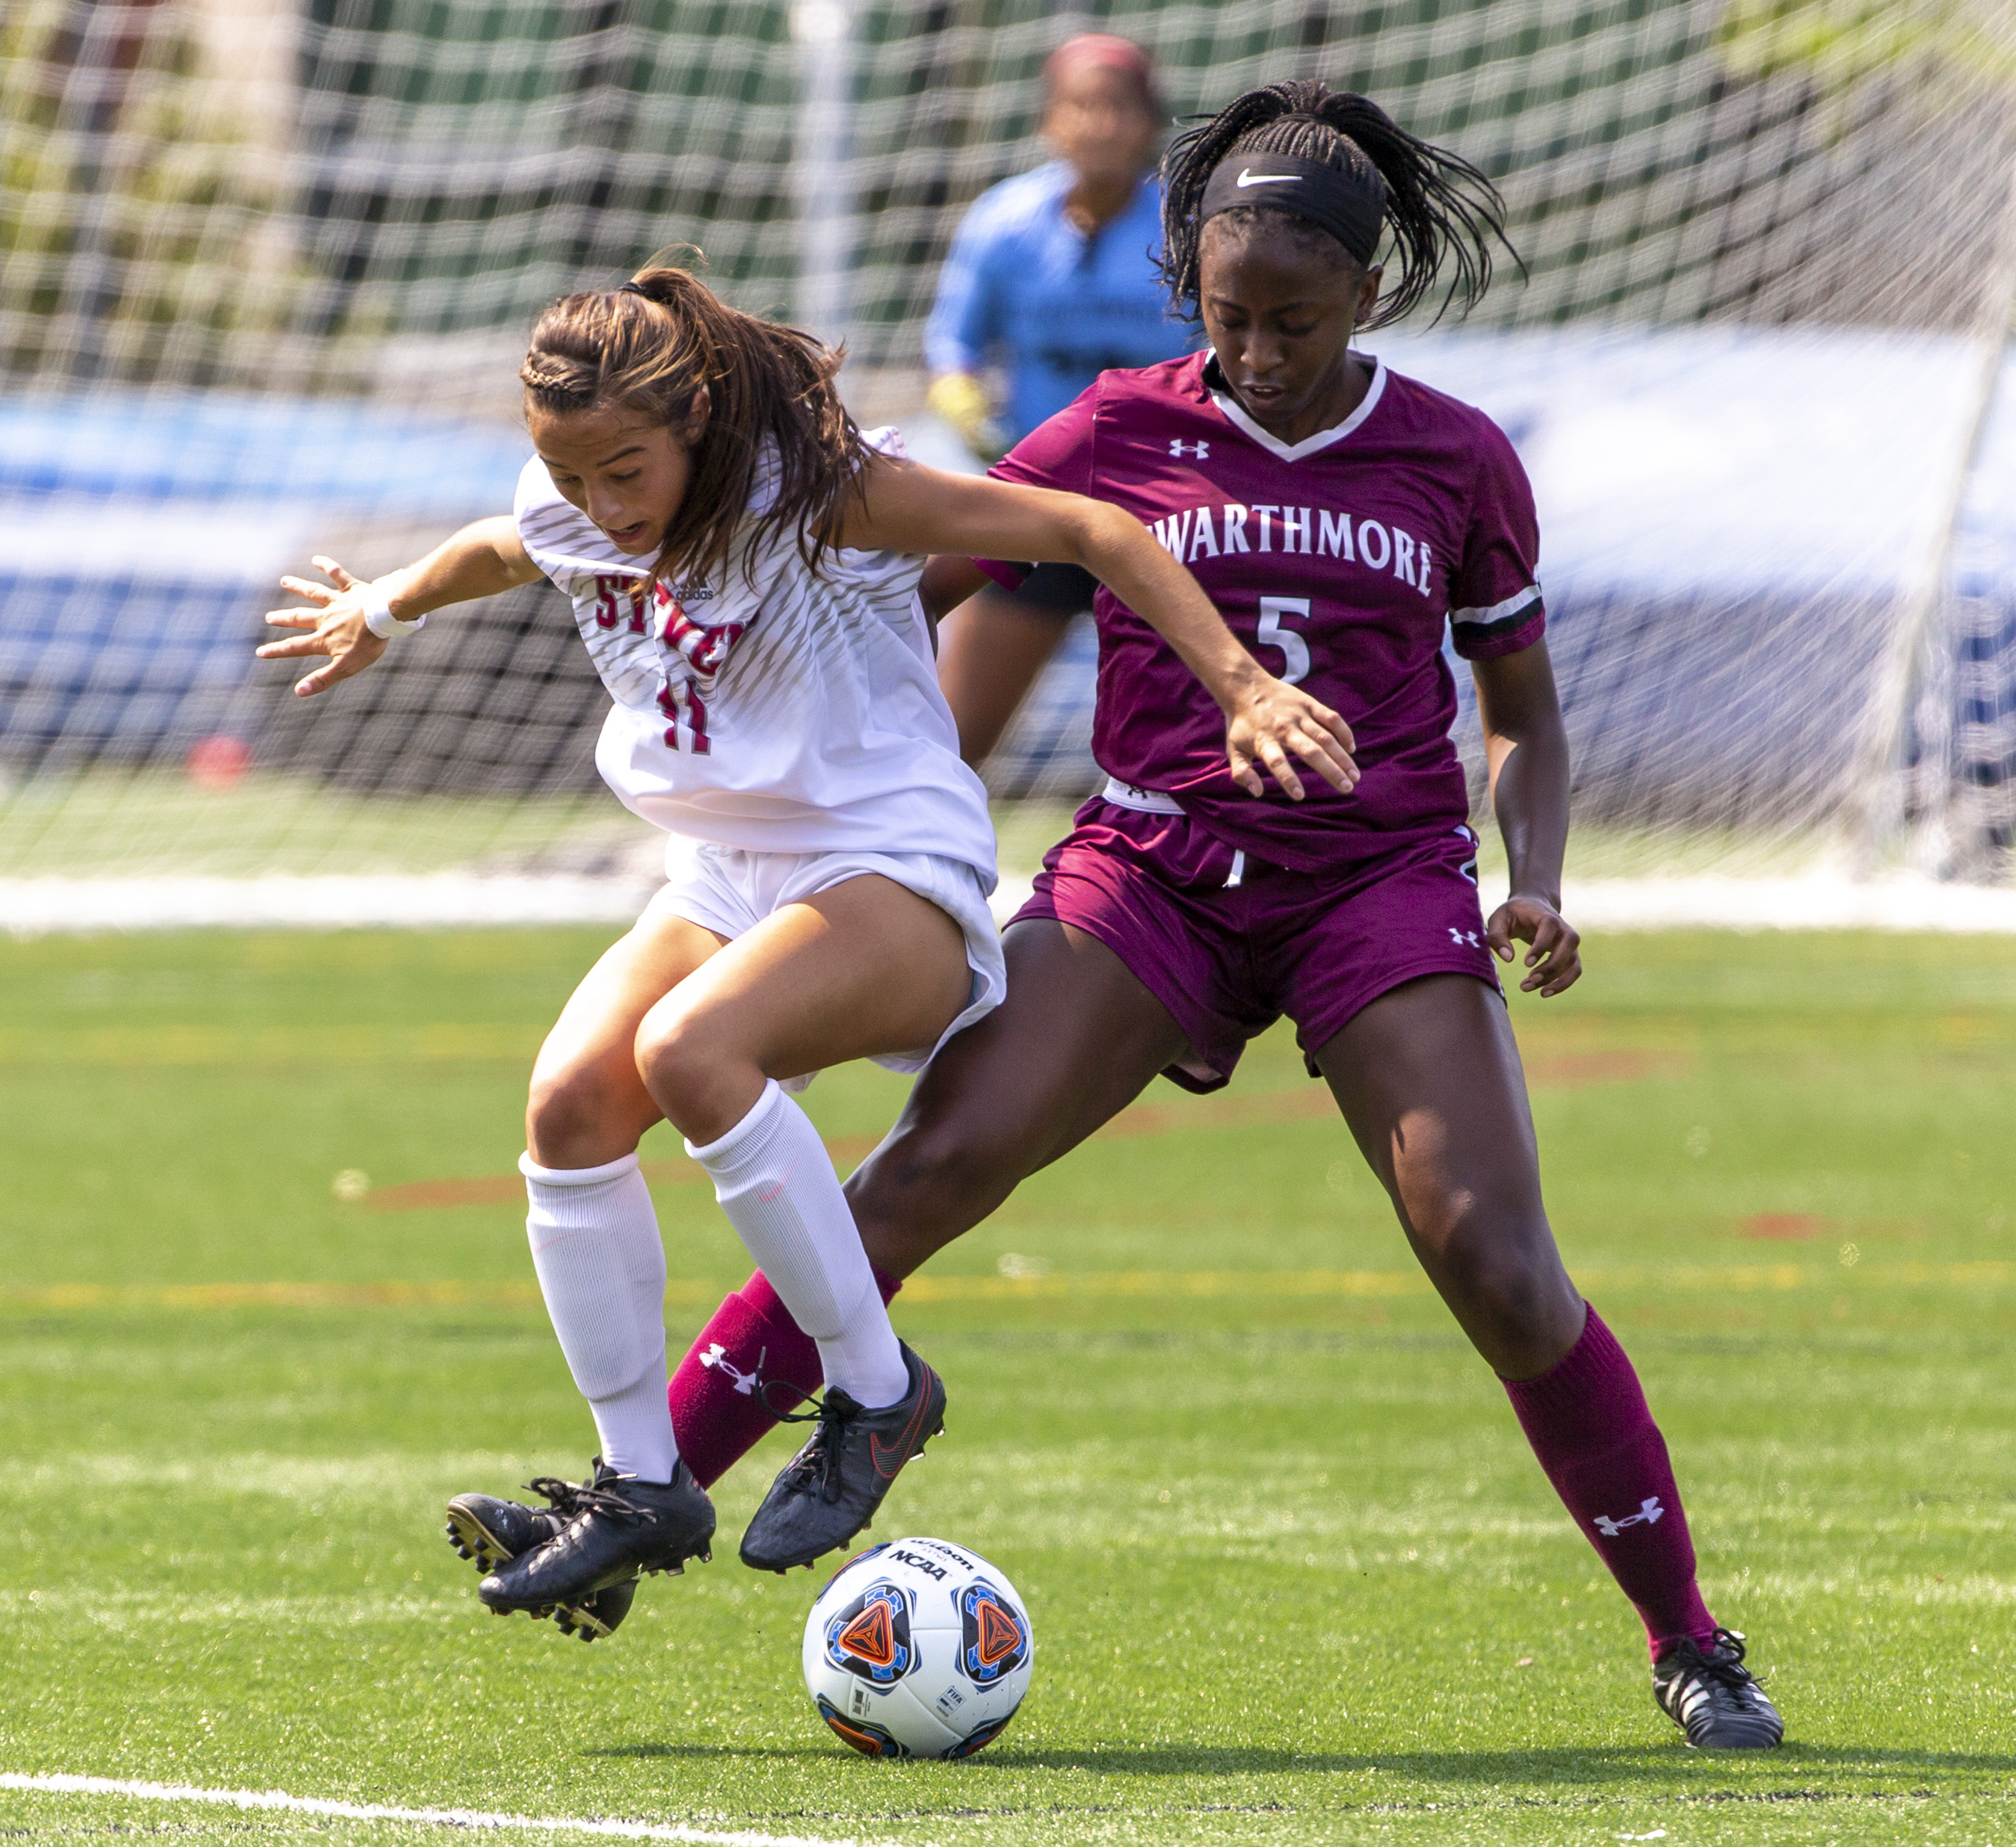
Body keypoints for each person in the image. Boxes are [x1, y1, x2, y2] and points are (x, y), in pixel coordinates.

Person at [646, 84, 1787, 1748]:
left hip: (1375, 890)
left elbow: (1525, 712)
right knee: (936, 1165)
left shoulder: (1458, 457)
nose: (1257, 349)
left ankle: (1691, 1637)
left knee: (1496, 1259)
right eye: (1230, 315)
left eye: (1297, 322)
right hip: (1153, 875)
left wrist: (1531, 873)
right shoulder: (1115, 427)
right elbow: (910, 576)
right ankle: (643, 1486)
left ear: (1369, 301)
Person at [262, 264, 1356, 1643]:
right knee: (570, 1104)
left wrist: (1244, 685)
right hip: (726, 873)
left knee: (691, 1051)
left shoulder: (825, 491)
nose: (603, 507)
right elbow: (503, 543)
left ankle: (879, 1387)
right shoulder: (574, 502)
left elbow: (1093, 527)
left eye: (627, 470)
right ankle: (641, 1485)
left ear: (700, 419)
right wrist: (387, 607)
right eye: (572, 473)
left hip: (890, 861)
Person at [923, 32, 1200, 765]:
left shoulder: (1190, 230)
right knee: (944, 749)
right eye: (1082, 105)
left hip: (1164, 517)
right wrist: (970, 414)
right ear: (1051, 120)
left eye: (1120, 106)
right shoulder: (1003, 224)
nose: (1101, 124)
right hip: (1035, 512)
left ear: (1150, 121)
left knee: (1198, 751)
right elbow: (952, 347)